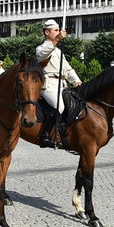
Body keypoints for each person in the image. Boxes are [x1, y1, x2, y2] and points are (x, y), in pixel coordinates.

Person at [35, 19, 82, 148]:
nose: (58, 33)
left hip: (62, 84)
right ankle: (45, 136)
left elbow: (67, 68)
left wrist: (76, 80)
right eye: (55, 31)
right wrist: (56, 41)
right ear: (46, 32)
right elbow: (42, 56)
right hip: (49, 85)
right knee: (59, 107)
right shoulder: (41, 48)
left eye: (58, 30)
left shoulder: (58, 51)